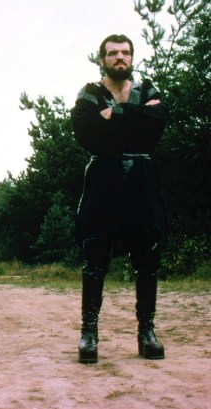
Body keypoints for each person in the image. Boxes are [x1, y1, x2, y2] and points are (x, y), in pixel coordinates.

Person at [71, 35, 169, 364]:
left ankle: (147, 333)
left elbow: (157, 123)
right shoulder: (89, 93)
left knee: (147, 260)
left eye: (125, 52)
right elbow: (86, 132)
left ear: (132, 57)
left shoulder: (147, 89)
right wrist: (137, 117)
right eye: (113, 53)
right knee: (94, 259)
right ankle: (89, 334)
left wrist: (115, 114)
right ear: (102, 60)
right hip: (102, 180)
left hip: (141, 180)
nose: (120, 57)